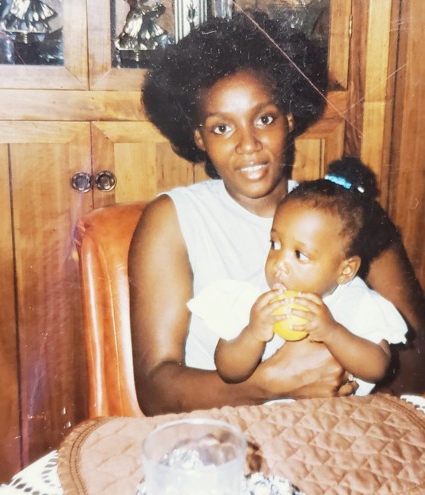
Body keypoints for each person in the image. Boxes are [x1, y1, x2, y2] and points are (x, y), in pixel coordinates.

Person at [129, 11, 425, 416]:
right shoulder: (173, 219)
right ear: (199, 138)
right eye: (221, 128)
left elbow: (417, 357)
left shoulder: (344, 213)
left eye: (264, 119)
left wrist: (346, 373)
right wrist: (270, 383)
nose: (248, 144)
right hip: (222, 431)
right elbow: (155, 390)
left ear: (288, 120)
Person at [189, 158, 407, 395]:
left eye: (300, 255)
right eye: (275, 244)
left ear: (345, 270)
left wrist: (332, 331)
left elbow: (378, 369)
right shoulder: (258, 299)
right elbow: (228, 371)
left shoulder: (358, 302)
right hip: (269, 410)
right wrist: (253, 332)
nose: (279, 263)